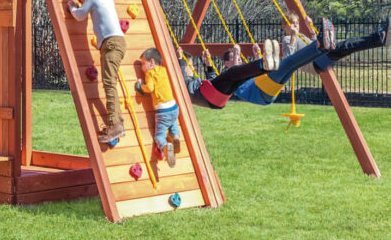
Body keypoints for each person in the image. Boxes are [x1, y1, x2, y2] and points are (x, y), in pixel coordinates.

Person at [183, 18, 389, 108]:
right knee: (288, 63)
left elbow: (237, 72)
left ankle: (379, 37)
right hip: (261, 90)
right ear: (226, 63)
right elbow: (226, 77)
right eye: (235, 59)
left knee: (340, 48)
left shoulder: (231, 75)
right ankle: (320, 45)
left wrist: (256, 58)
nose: (238, 60)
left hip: (272, 83)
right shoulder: (227, 80)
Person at [64, 0, 126, 143]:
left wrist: (72, 6)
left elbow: (80, 15)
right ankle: (118, 121)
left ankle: (115, 124)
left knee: (109, 83)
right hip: (118, 41)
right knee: (110, 82)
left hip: (111, 42)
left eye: (82, 0)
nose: (84, 4)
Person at [136, 48, 182, 166]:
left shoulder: (149, 73)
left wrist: (141, 85)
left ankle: (166, 147)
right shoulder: (163, 70)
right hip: (174, 108)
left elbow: (150, 88)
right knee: (173, 126)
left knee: (159, 136)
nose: (141, 68)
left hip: (163, 112)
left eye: (143, 63)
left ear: (152, 62)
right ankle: (176, 137)